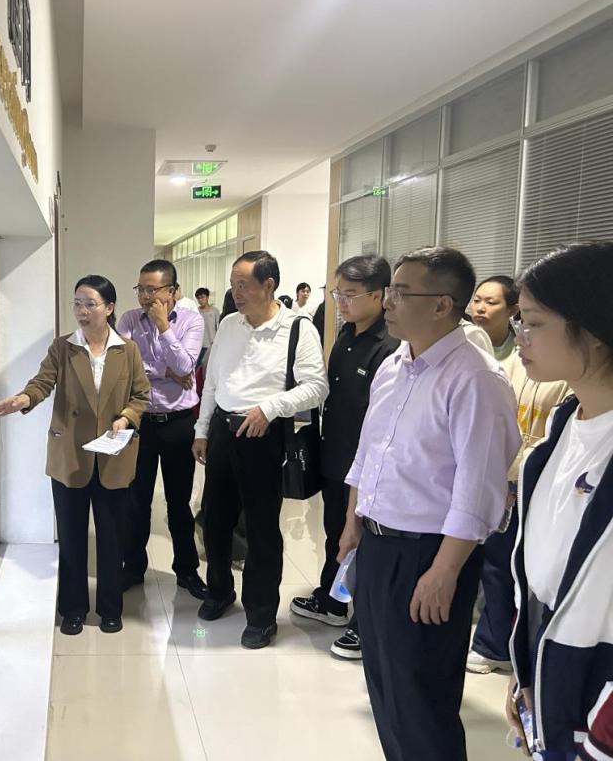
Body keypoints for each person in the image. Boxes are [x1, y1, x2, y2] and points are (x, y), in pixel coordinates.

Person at [336, 246, 520, 761]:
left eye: (401, 293)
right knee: (385, 686)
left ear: (442, 305)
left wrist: (444, 571)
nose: (387, 302)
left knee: (422, 697)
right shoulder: (395, 365)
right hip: (378, 544)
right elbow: (370, 451)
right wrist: (353, 521)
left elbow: (478, 490)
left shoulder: (476, 379)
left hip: (429, 555)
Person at [0, 275, 150, 636]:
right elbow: (42, 382)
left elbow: (141, 395)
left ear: (109, 308)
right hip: (71, 456)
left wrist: (126, 418)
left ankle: (110, 608)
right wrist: (24, 399)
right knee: (72, 537)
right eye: (77, 303)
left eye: (90, 304)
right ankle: (73, 608)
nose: (82, 311)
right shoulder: (63, 348)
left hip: (112, 456)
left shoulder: (128, 350)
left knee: (111, 538)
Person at [506, 242, 613, 761]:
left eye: (532, 323)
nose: (518, 336)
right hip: (553, 656)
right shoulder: (564, 425)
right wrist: (526, 671)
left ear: (592, 327)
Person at [192, 250, 328, 649]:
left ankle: (261, 614)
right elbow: (212, 384)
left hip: (262, 435)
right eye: (232, 285)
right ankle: (219, 591)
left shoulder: (297, 328)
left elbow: (316, 387)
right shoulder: (229, 324)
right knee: (214, 519)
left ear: (269, 285)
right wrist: (202, 430)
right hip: (223, 430)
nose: (235, 293)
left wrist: (270, 407)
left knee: (261, 528)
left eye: (243, 285)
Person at [289, 255, 399, 661]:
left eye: (350, 295)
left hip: (368, 466)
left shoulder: (390, 346)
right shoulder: (346, 334)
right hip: (336, 458)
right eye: (338, 294)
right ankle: (333, 601)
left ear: (379, 294)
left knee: (364, 542)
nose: (342, 302)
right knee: (337, 532)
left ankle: (363, 625)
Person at [466, 276, 571, 675]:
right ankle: (496, 642)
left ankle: (510, 647)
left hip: (533, 484)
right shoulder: (509, 363)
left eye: (534, 323)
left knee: (522, 571)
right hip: (505, 478)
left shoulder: (568, 380)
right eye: (522, 323)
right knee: (496, 564)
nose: (523, 335)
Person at [117, 261, 206, 599]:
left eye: (152, 290)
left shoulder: (192, 320)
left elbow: (186, 365)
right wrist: (166, 372)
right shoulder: (128, 320)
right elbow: (124, 368)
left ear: (172, 291)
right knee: (136, 502)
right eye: (140, 289)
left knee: (178, 503)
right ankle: (133, 567)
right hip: (140, 422)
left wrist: (163, 327)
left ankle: (186, 571)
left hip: (178, 423)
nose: (144, 296)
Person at [195, 287, 220, 366]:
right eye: (198, 298)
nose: (200, 300)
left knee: (209, 366)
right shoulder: (196, 311)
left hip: (211, 345)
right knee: (198, 367)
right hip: (198, 345)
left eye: (202, 297)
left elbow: (219, 328)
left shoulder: (215, 311)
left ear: (207, 297)